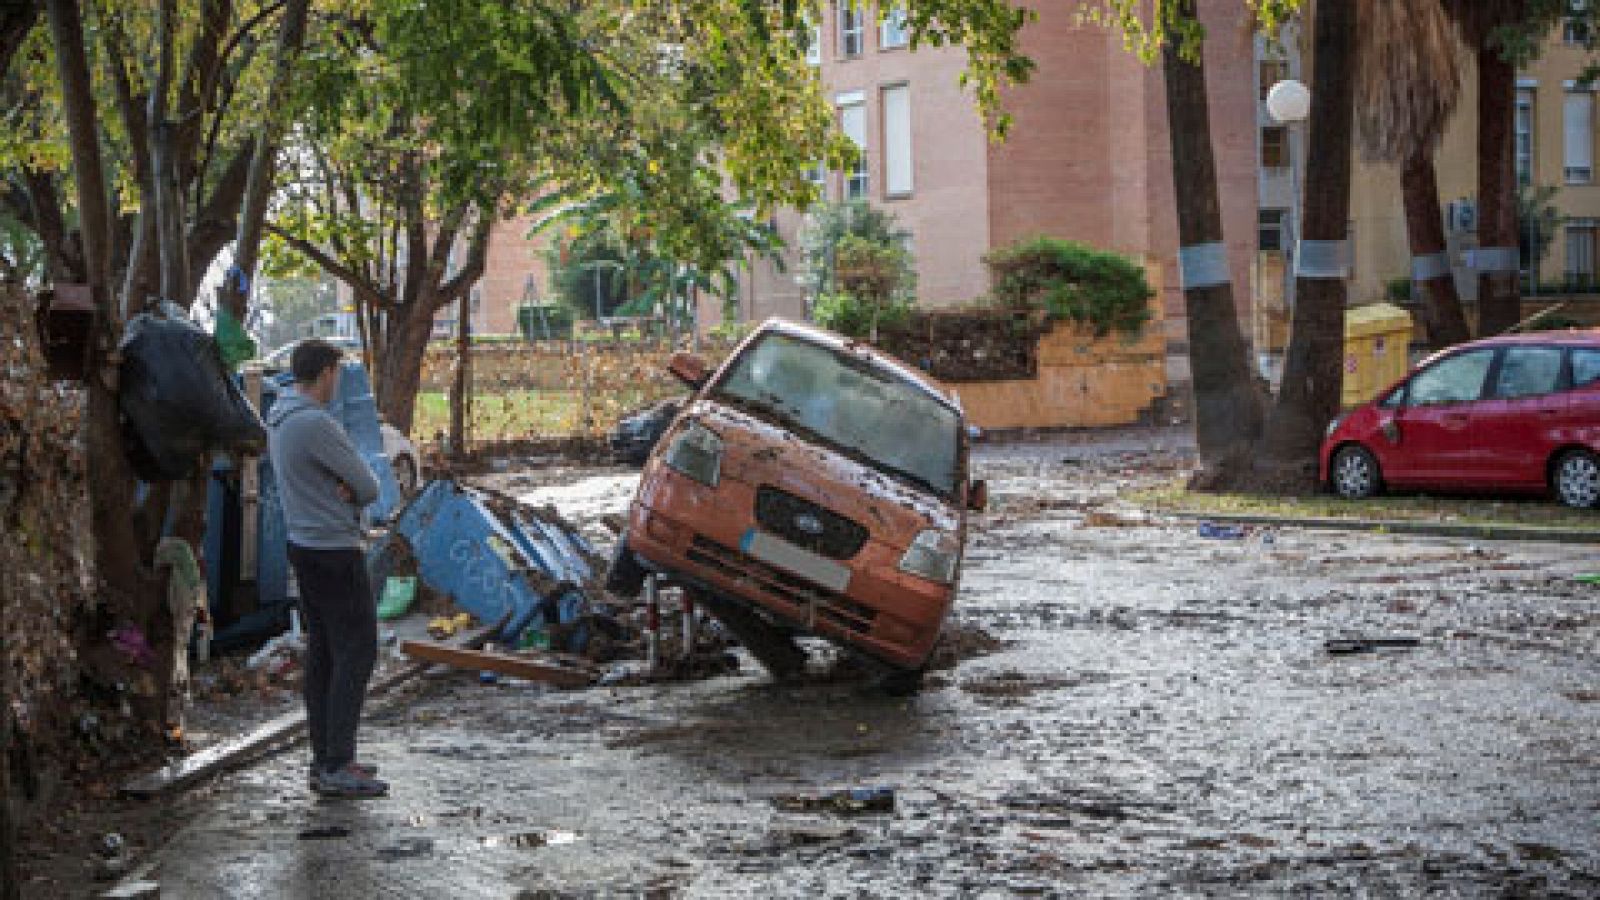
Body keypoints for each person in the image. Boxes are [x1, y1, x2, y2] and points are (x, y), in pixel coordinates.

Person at [266, 339, 388, 797]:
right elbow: (370, 485)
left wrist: (342, 485)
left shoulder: (279, 420)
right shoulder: (315, 424)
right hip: (335, 550)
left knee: (323, 655)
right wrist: (348, 487)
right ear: (324, 373)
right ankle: (338, 761)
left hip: (303, 546)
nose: (338, 381)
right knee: (357, 651)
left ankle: (326, 758)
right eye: (337, 372)